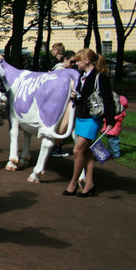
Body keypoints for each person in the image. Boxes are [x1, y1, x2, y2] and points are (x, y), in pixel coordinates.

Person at [63, 48, 115, 198]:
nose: (75, 63)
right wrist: (75, 96)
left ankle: (73, 183)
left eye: (77, 60)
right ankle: (89, 184)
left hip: (92, 119)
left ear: (86, 61)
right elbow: (82, 96)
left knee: (77, 150)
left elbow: (108, 99)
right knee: (87, 152)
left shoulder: (100, 77)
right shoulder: (82, 75)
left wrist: (109, 120)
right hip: (81, 117)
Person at [50, 50, 77, 158]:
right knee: (60, 126)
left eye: (75, 62)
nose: (73, 64)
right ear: (65, 59)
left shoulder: (62, 69)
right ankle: (55, 148)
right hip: (59, 104)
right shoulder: (60, 70)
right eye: (72, 62)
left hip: (59, 103)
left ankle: (56, 147)